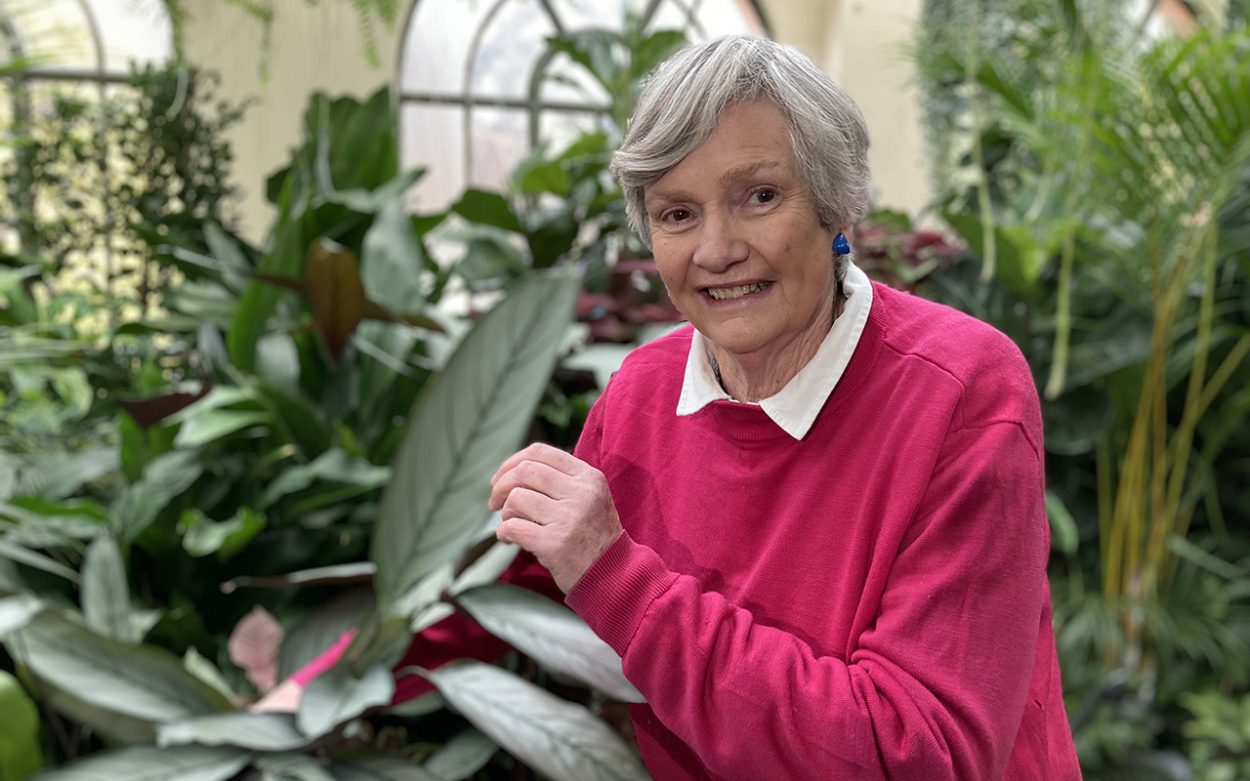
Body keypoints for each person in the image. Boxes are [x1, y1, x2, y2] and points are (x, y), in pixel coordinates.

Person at [279, 35, 1083, 780]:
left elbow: (919, 752)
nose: (716, 248)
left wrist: (621, 580)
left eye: (759, 195)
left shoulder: (962, 390)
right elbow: (503, 598)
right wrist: (304, 695)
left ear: (837, 208)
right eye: (676, 213)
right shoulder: (641, 394)